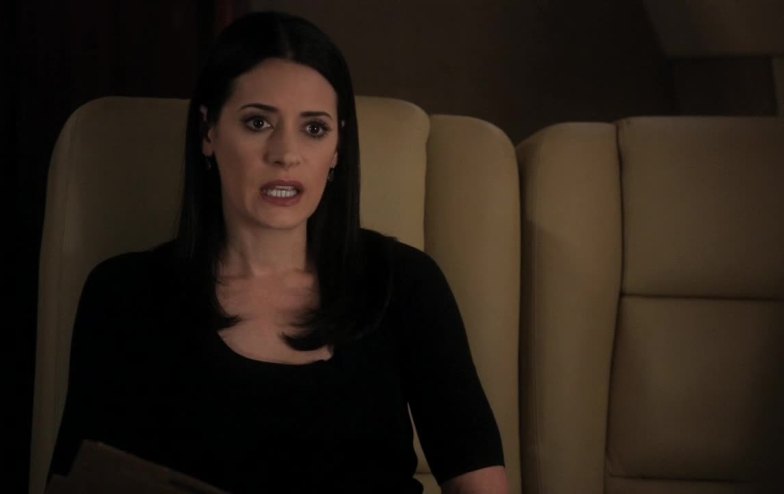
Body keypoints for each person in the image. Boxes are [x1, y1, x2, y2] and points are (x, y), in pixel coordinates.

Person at [50, 11, 507, 493]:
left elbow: (479, 481)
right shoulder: (123, 295)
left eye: (314, 129)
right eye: (258, 122)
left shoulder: (406, 283)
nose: (286, 153)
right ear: (208, 132)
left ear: (338, 148)